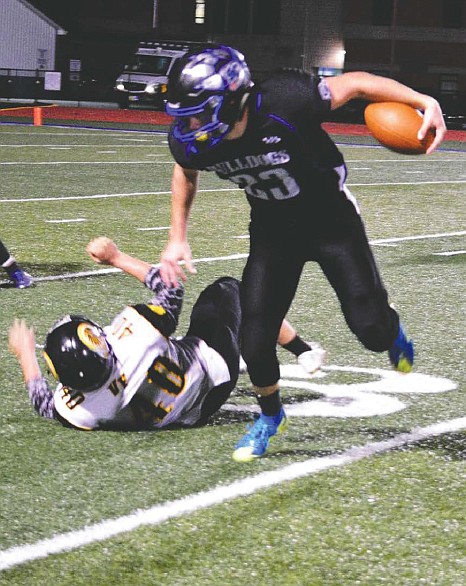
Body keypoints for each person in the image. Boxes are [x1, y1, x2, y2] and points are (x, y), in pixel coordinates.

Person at [160, 44, 447, 462]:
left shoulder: (285, 100)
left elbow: (359, 84)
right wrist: (176, 236)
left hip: (332, 222)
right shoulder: (197, 141)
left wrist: (424, 100)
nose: (191, 123)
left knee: (370, 330)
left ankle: (392, 330)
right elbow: (185, 171)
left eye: (201, 111)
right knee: (254, 340)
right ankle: (271, 417)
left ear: (234, 99)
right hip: (274, 232)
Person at [8, 237, 324, 431]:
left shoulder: (81, 410)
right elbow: (170, 287)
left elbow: (43, 404)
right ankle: (302, 349)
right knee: (229, 291)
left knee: (173, 343)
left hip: (186, 415)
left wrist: (26, 357)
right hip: (213, 376)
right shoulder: (135, 338)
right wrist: (115, 257)